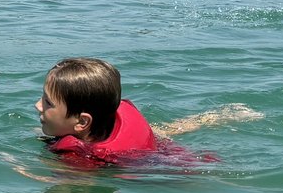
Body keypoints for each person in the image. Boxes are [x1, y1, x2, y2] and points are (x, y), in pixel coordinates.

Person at [34, 56, 262, 168]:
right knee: (161, 133)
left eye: (48, 103)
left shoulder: (85, 156)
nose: (38, 105)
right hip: (155, 144)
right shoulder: (112, 114)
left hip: (161, 169)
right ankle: (213, 118)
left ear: (83, 122)